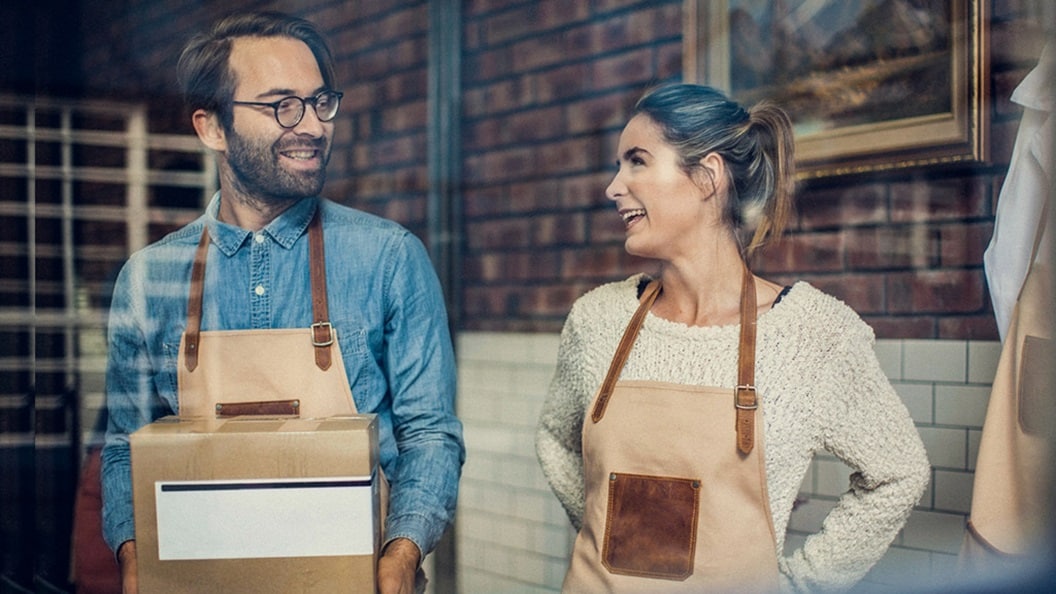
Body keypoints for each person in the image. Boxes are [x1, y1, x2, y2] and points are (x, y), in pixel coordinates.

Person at [100, 12, 464, 594]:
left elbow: (430, 435)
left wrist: (398, 559)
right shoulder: (148, 280)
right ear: (212, 127)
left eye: (321, 103)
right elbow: (125, 445)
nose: (314, 126)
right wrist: (134, 559)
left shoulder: (389, 258)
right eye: (281, 106)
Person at [536, 83, 929, 593]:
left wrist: (798, 583)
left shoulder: (813, 334)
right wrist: (604, 527)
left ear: (708, 177)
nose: (614, 186)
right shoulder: (597, 320)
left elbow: (897, 471)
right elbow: (555, 439)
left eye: (636, 161)